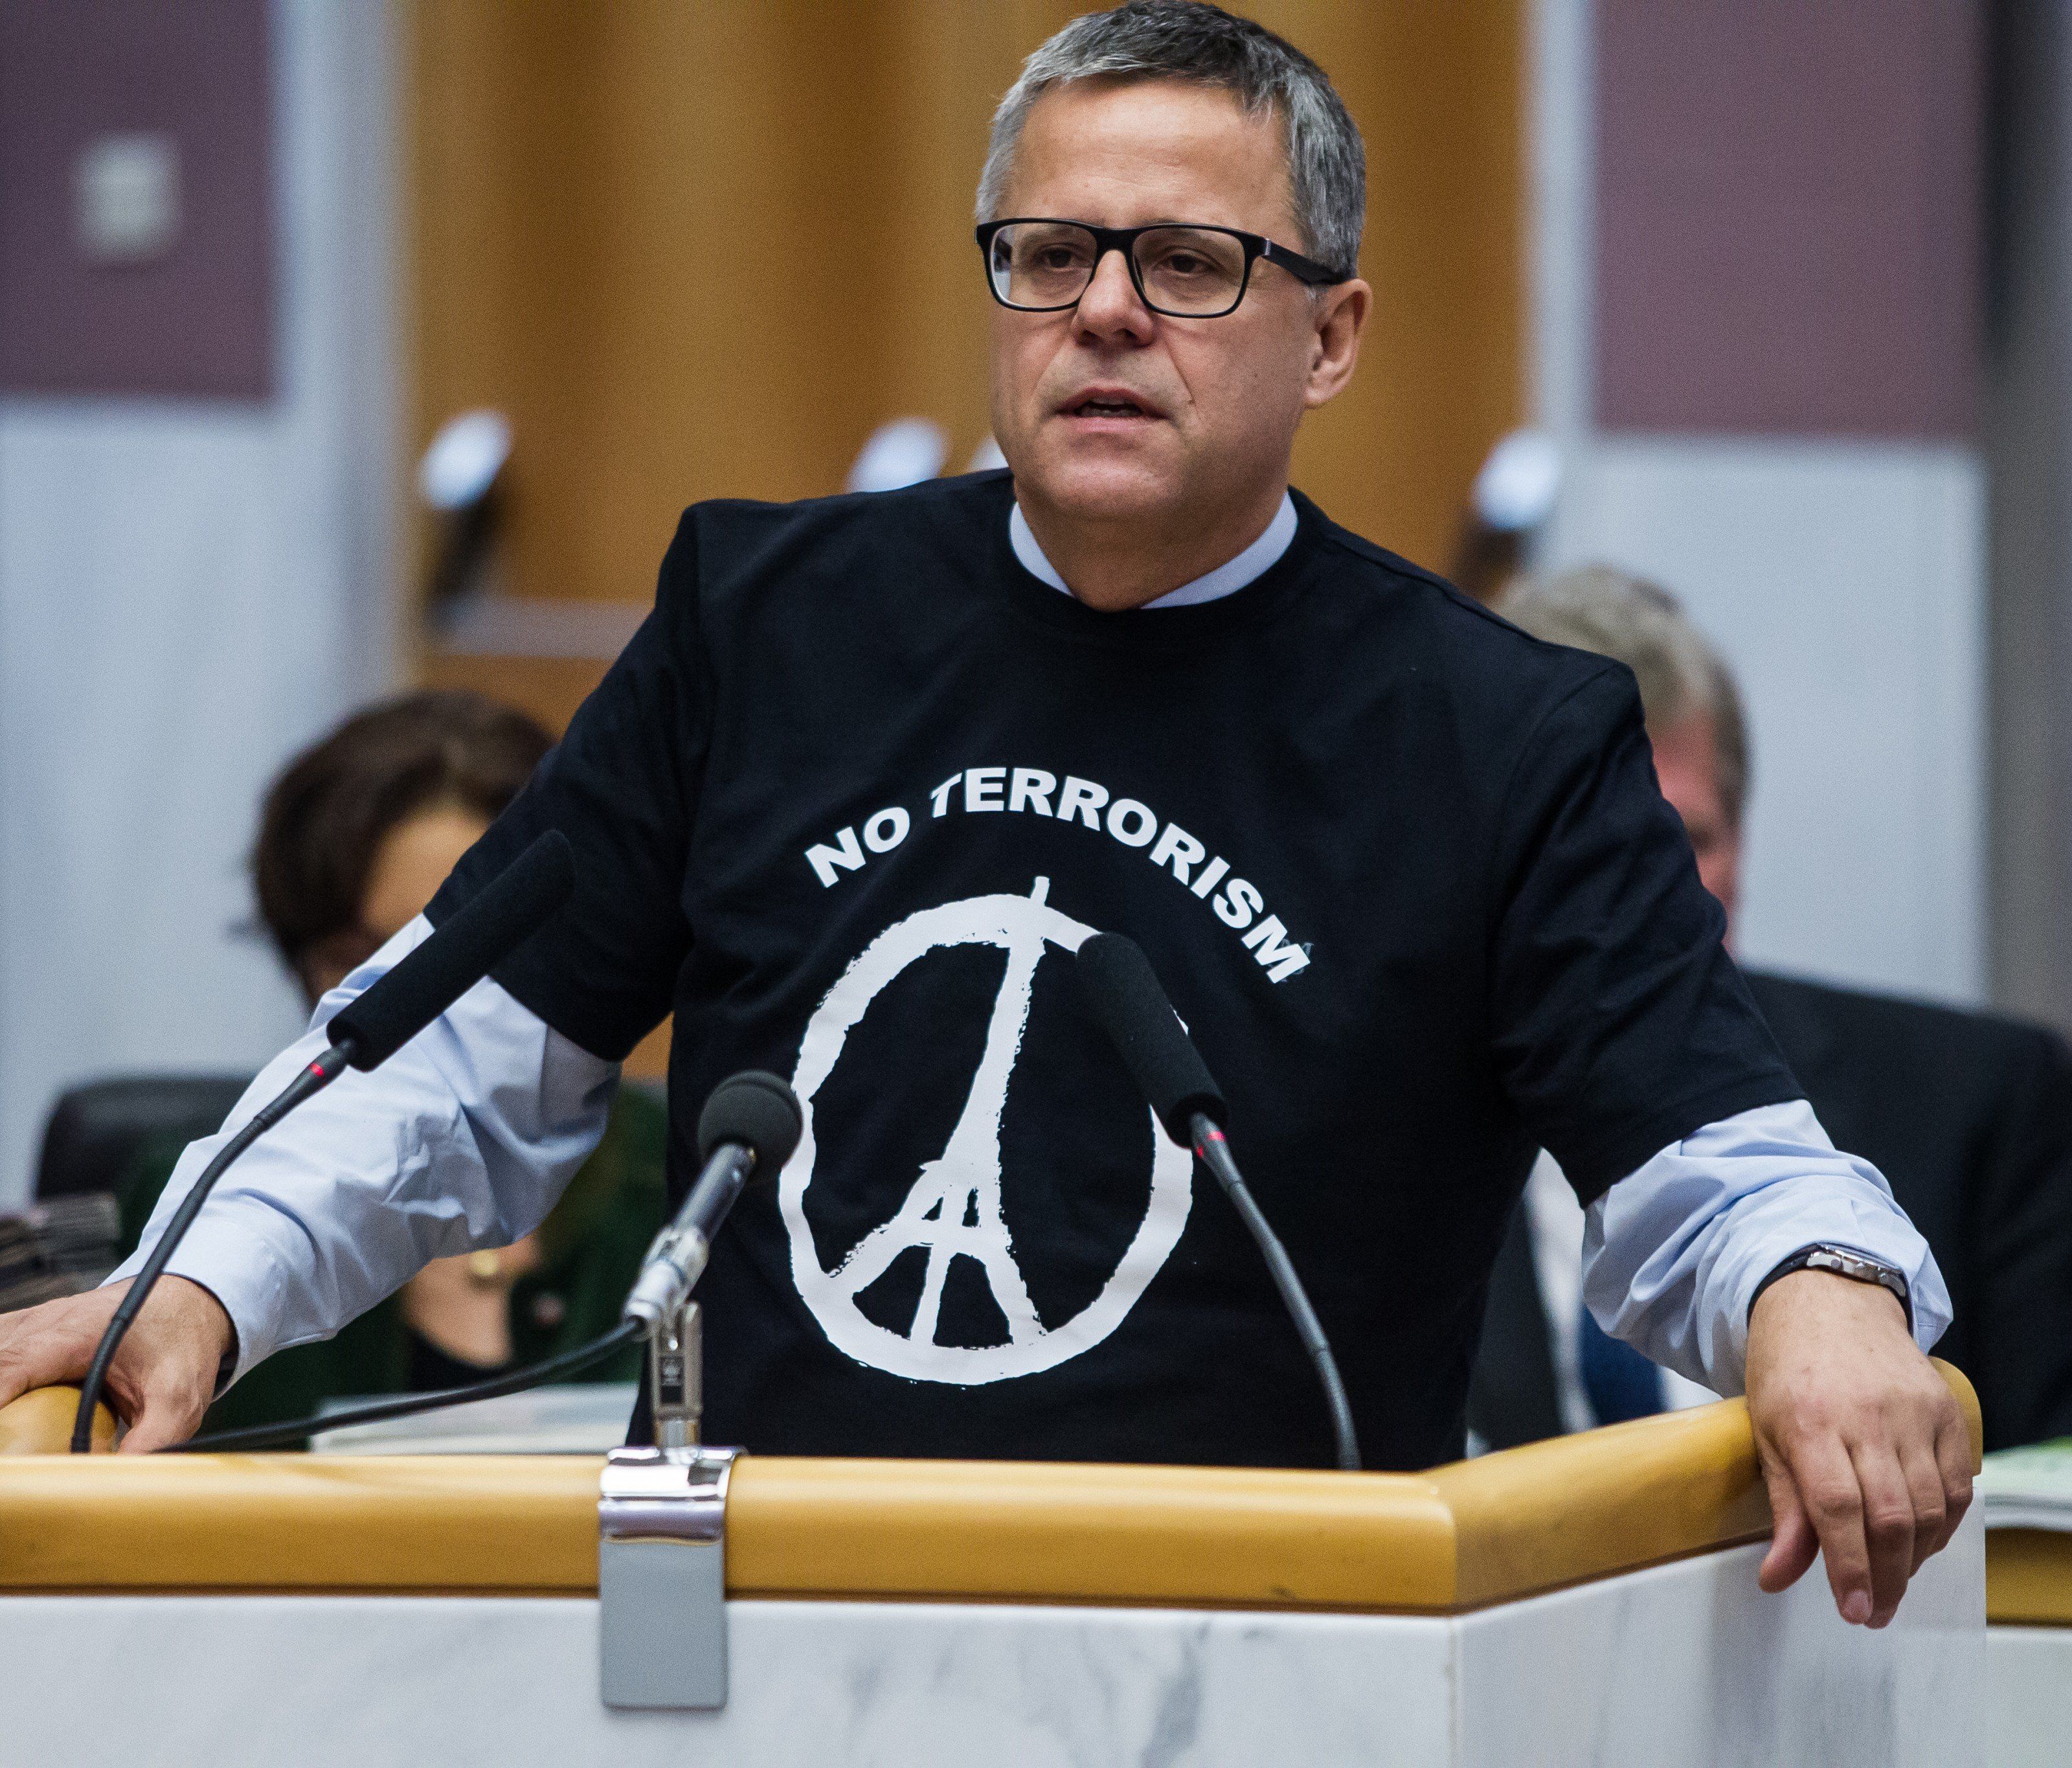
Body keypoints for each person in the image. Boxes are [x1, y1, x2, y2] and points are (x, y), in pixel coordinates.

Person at [0, 1, 1966, 1632]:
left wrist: (1824, 1309)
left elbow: (1712, 1159)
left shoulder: (1499, 730)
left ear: (1333, 335)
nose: (1105, 312)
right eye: (1049, 256)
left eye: (1189, 264)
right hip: (774, 1625)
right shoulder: (761, 622)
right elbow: (456, 1067)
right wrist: (204, 1283)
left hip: (1275, 1648)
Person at [1471, 567, 2072, 1453]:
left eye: (1683, 840)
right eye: (1582, 850)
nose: (1640, 890)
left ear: (1742, 848)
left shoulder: (1978, 1107)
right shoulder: (1353, 1134)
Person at [115, 692, 668, 1437]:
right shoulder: (197, 1214)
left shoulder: (699, 1180)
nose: (415, 1007)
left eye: (462, 960)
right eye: (359, 961)